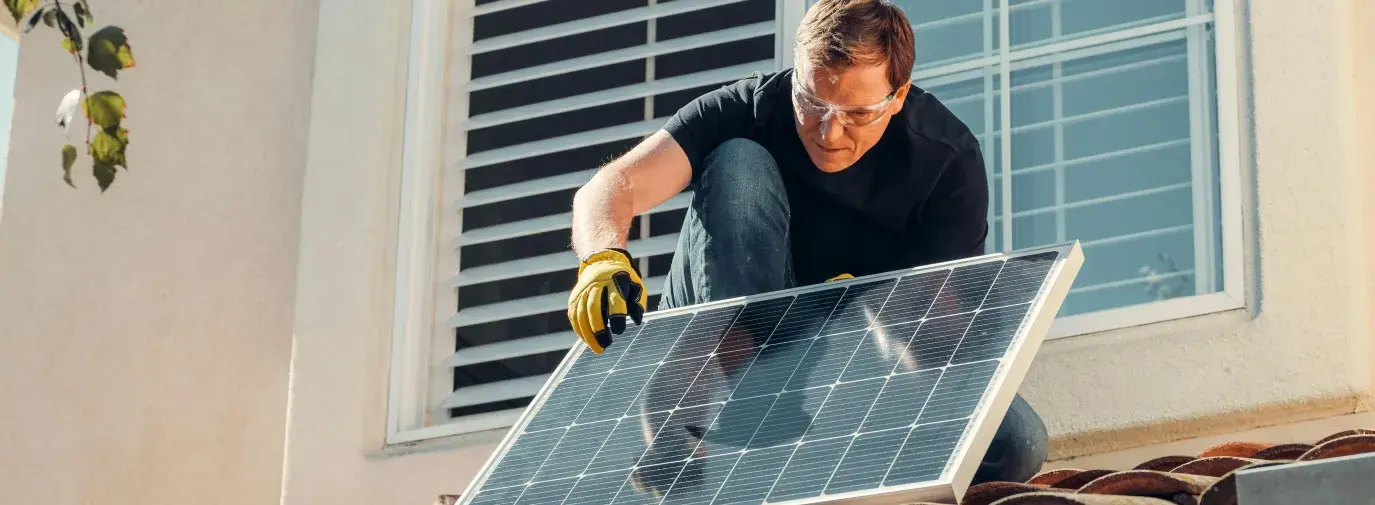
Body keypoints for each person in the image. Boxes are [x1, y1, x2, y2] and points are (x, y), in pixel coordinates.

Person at [564, 0, 1048, 485]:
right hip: (728, 338)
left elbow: (933, 349)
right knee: (738, 162)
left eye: (856, 114)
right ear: (796, 75)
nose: (829, 132)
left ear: (898, 96)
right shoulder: (747, 109)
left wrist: (855, 316)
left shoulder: (945, 162)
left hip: (850, 362)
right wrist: (602, 258)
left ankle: (799, 425)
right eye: (812, 103)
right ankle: (725, 395)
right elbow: (608, 189)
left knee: (1012, 440)